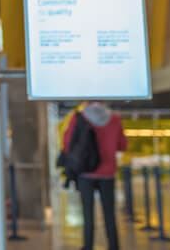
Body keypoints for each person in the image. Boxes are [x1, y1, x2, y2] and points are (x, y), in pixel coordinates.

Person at [63, 102, 127, 250]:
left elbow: (68, 142)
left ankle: (88, 245)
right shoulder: (115, 119)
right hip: (107, 173)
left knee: (87, 213)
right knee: (109, 213)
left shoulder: (79, 117)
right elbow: (123, 145)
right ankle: (114, 246)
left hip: (85, 172)